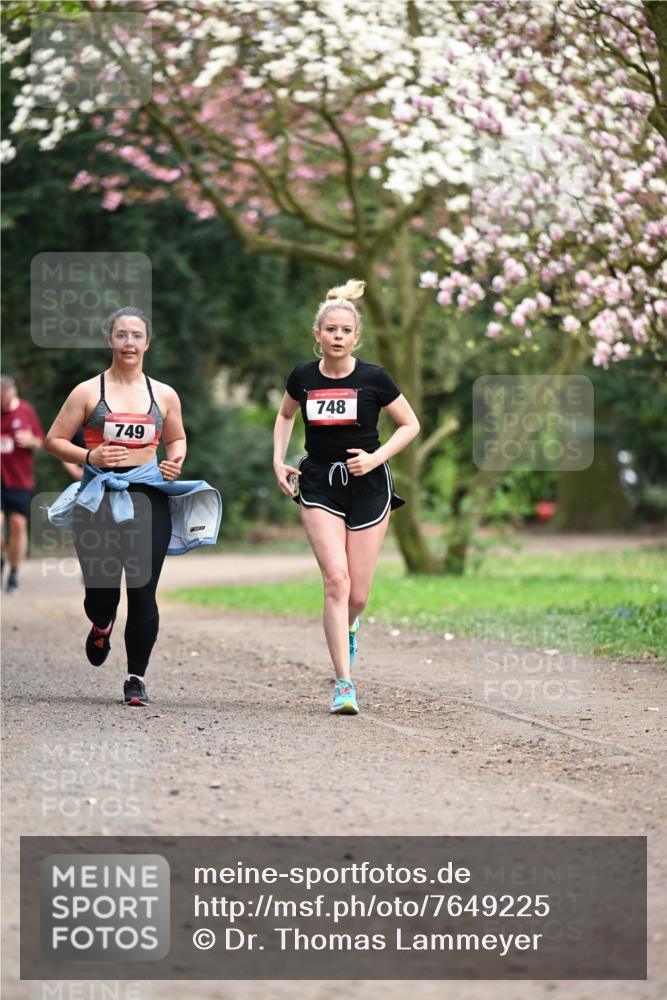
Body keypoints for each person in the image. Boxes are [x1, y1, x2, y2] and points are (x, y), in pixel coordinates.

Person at [45, 306, 222, 707]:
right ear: (109, 340)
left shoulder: (164, 394)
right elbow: (54, 440)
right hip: (97, 499)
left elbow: (176, 438)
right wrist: (89, 457)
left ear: (147, 343)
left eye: (136, 335)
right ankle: (101, 622)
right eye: (121, 335)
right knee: (101, 595)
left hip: (148, 497)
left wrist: (175, 460)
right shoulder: (88, 392)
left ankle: (135, 678)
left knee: (143, 590)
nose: (129, 343)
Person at [273, 279, 420, 716]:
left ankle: (351, 625)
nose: (337, 336)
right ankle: (344, 684)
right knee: (336, 580)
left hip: (369, 485)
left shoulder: (374, 378)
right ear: (317, 334)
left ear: (356, 337)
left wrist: (376, 458)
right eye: (330, 330)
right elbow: (284, 416)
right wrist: (278, 460)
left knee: (357, 594)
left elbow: (410, 425)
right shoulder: (302, 377)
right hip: (319, 482)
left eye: (345, 331)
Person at [1, 374, 45, 594]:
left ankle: (14, 572)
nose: (3, 403)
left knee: (18, 525)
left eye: (5, 398)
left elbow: (40, 441)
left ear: (13, 392)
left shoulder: (26, 411)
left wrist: (31, 441)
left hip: (19, 478)